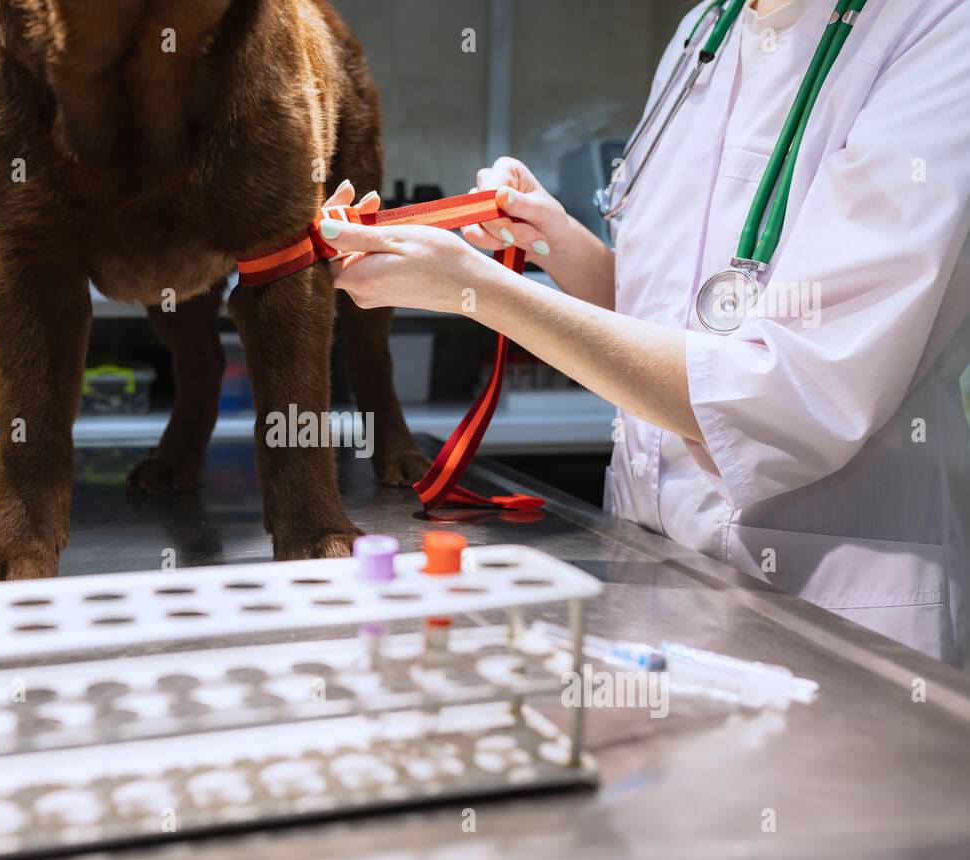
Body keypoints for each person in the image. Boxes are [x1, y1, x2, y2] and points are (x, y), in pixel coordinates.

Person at [317, 0, 970, 667]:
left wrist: (477, 290)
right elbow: (668, 317)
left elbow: (786, 394)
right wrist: (559, 243)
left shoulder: (939, 31)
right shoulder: (705, 31)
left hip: (834, 618)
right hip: (655, 573)